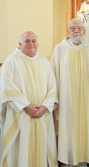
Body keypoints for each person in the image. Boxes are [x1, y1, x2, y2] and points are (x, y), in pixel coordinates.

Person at [0, 31, 58, 167]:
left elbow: (53, 88)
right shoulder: (11, 61)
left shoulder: (44, 62)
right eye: (27, 41)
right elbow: (7, 87)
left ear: (37, 44)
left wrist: (44, 107)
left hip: (42, 116)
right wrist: (26, 105)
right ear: (20, 44)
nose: (31, 44)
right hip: (20, 115)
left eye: (33, 41)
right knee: (21, 152)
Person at [51, 18, 89, 167]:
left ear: (84, 31)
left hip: (86, 98)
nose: (76, 31)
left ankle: (83, 160)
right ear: (68, 31)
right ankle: (67, 160)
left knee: (85, 126)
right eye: (72, 28)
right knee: (67, 127)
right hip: (66, 98)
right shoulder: (60, 49)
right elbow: (53, 74)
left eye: (79, 28)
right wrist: (55, 97)